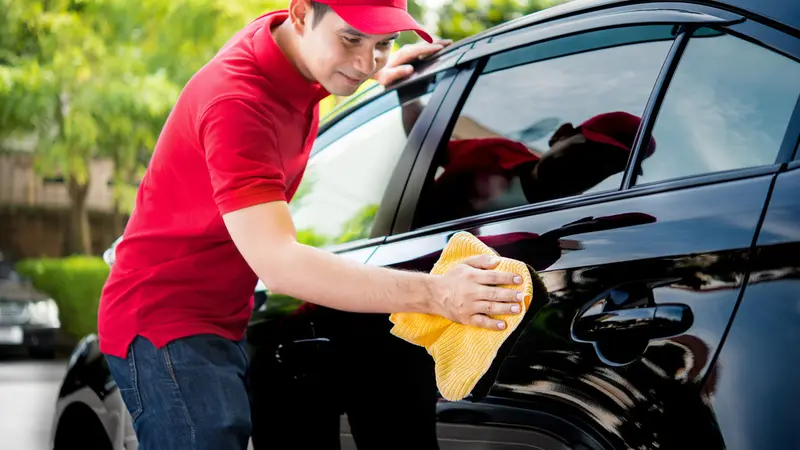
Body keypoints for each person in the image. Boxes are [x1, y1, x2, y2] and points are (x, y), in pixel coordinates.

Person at [96, 2, 528, 449]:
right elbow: (280, 264)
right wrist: (437, 294)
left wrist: (364, 75)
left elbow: (323, 61)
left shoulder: (290, 52)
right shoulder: (237, 103)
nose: (366, 60)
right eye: (351, 39)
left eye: (383, 43)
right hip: (165, 320)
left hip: (223, 316)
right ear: (302, 14)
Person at [415, 111, 658, 226]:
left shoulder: (564, 230)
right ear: (561, 135)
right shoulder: (492, 153)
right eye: (590, 152)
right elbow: (421, 146)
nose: (592, 168)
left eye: (610, 166)